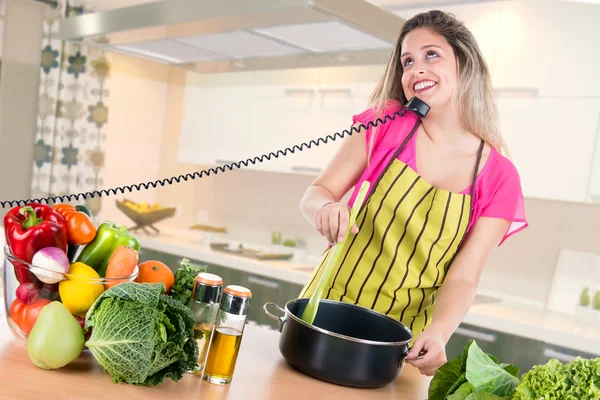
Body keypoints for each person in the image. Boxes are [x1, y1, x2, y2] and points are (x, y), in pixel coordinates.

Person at [298, 10, 528, 377]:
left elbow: (465, 276)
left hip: (395, 346)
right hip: (323, 313)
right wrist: (324, 206)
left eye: (431, 55)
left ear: (463, 63)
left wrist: (439, 332)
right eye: (407, 61)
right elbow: (317, 191)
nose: (416, 69)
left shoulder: (500, 177)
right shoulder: (384, 125)